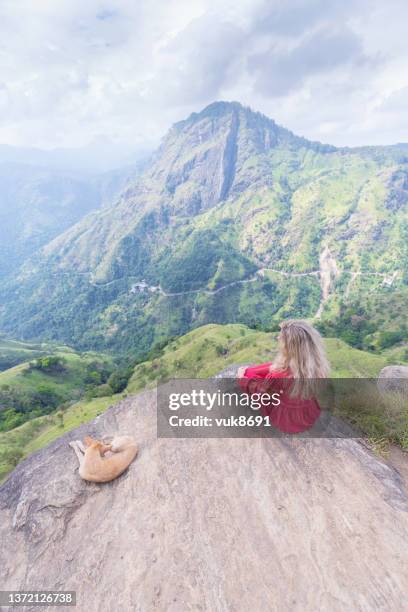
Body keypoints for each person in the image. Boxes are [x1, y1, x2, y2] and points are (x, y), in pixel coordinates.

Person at [237, 320, 330, 434]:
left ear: (290, 347)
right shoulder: (316, 367)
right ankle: (249, 371)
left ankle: (246, 373)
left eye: (281, 337)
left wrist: (243, 380)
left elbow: (262, 396)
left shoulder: (279, 375)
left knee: (247, 374)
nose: (277, 338)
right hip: (305, 410)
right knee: (259, 370)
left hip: (286, 420)